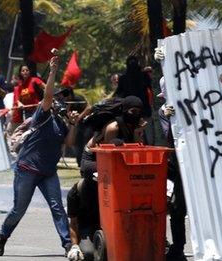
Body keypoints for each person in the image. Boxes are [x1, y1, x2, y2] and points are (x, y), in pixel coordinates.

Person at [0, 56, 80, 257]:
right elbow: (48, 95)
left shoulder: (62, 124)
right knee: (19, 210)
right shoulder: (43, 113)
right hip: (27, 170)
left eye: (63, 99)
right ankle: (2, 235)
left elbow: (69, 143)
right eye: (58, 98)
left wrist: (74, 123)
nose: (61, 101)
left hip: (48, 172)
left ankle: (67, 245)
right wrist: (52, 72)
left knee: (58, 208)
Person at [66, 96, 146, 260]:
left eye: (139, 111)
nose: (136, 114)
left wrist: (138, 134)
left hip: (116, 161)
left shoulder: (136, 126)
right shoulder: (113, 127)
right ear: (125, 111)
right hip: (94, 161)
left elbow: (137, 152)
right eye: (132, 111)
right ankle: (89, 232)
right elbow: (109, 158)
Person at [157, 77, 187, 261]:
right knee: (178, 208)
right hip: (176, 164)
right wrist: (169, 118)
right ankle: (178, 248)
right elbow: (166, 136)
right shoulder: (163, 111)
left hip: (195, 163)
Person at [114, 56, 153, 144]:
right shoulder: (143, 75)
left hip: (133, 112)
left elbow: (118, 94)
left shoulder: (124, 78)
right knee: (147, 135)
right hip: (140, 111)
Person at [54, 87, 92, 166]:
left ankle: (87, 162)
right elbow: (66, 115)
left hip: (86, 122)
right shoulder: (65, 103)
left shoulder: (78, 99)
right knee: (77, 143)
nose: (64, 97)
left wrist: (79, 117)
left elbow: (89, 107)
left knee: (85, 142)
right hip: (75, 124)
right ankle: (80, 163)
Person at [7, 64, 46, 134]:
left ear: (29, 72)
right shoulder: (20, 85)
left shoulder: (35, 80)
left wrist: (44, 100)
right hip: (27, 112)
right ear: (20, 73)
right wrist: (19, 104)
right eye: (23, 71)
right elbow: (17, 99)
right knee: (29, 131)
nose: (25, 72)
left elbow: (46, 88)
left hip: (37, 110)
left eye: (27, 70)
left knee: (37, 129)